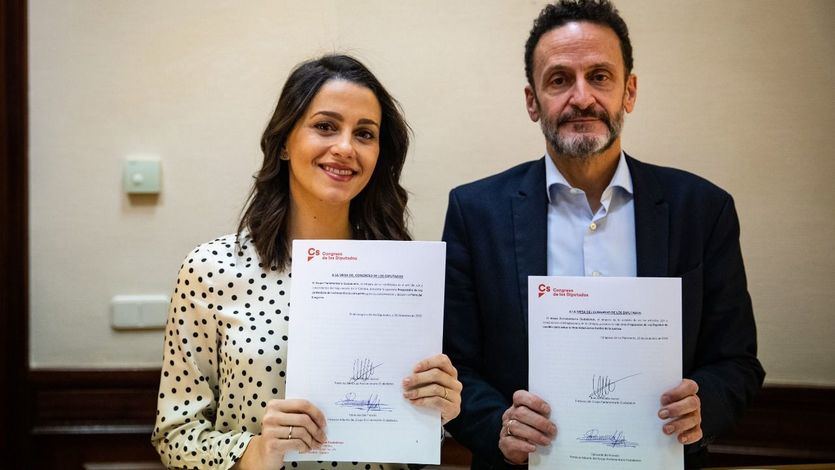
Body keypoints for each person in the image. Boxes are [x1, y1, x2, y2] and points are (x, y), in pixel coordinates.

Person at [441, 1, 765, 468]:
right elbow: (455, 366)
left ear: (628, 92)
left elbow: (738, 362)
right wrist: (499, 426)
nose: (581, 97)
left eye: (599, 76)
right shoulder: (475, 212)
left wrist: (702, 408)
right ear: (532, 101)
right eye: (558, 80)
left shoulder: (703, 210)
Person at [152, 54, 463, 470]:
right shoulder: (210, 269)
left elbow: (407, 443)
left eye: (365, 134)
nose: (345, 148)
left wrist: (438, 413)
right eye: (325, 126)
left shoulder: (402, 274)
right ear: (284, 141)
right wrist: (257, 452)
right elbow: (175, 437)